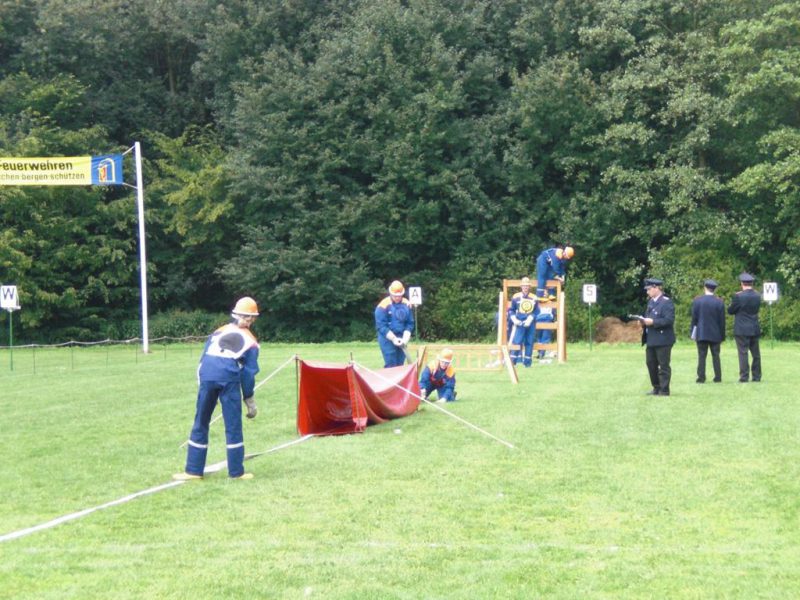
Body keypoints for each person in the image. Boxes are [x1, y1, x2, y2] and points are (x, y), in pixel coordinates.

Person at [174, 297, 261, 481]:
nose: (249, 321)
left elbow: (204, 357)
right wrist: (249, 399)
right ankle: (235, 472)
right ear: (240, 316)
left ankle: (193, 470)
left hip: (207, 375)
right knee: (232, 425)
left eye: (250, 318)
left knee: (201, 421)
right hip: (227, 378)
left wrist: (202, 380)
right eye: (247, 317)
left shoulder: (219, 331)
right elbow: (248, 373)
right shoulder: (251, 342)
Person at [639, 278, 676, 396]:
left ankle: (664, 390)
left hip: (663, 339)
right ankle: (656, 387)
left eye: (649, 289)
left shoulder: (666, 302)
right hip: (651, 338)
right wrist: (643, 322)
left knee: (663, 365)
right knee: (651, 364)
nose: (647, 292)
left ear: (656, 288)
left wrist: (653, 322)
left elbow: (669, 320)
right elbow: (648, 317)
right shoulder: (651, 302)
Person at [727, 272, 762, 383]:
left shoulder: (738, 296)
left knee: (743, 353)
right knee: (756, 354)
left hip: (742, 329)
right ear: (752, 283)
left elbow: (730, 311)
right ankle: (756, 376)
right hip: (754, 327)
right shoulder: (757, 295)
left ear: (742, 283)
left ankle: (744, 376)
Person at [690, 279, 726, 383]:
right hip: (715, 333)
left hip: (701, 333)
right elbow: (722, 321)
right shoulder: (719, 302)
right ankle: (718, 376)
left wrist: (692, 333)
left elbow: (694, 319)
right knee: (716, 355)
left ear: (705, 287)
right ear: (714, 289)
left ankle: (701, 377)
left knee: (701, 355)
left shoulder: (697, 301)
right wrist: (722, 336)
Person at [375, 280, 415, 368]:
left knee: (400, 364)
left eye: (399, 296)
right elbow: (381, 326)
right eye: (395, 296)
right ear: (390, 293)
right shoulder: (382, 306)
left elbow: (410, 323)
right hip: (387, 339)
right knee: (391, 364)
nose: (397, 298)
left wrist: (405, 338)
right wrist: (393, 338)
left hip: (402, 336)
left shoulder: (406, 304)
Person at [507, 276, 537, 366]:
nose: (525, 287)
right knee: (517, 341)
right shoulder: (516, 297)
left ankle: (527, 363)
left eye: (527, 286)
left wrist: (530, 318)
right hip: (519, 321)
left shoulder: (534, 297)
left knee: (529, 341)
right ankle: (513, 362)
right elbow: (511, 309)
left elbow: (536, 311)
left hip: (530, 322)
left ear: (529, 287)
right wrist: (514, 319)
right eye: (524, 286)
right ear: (521, 286)